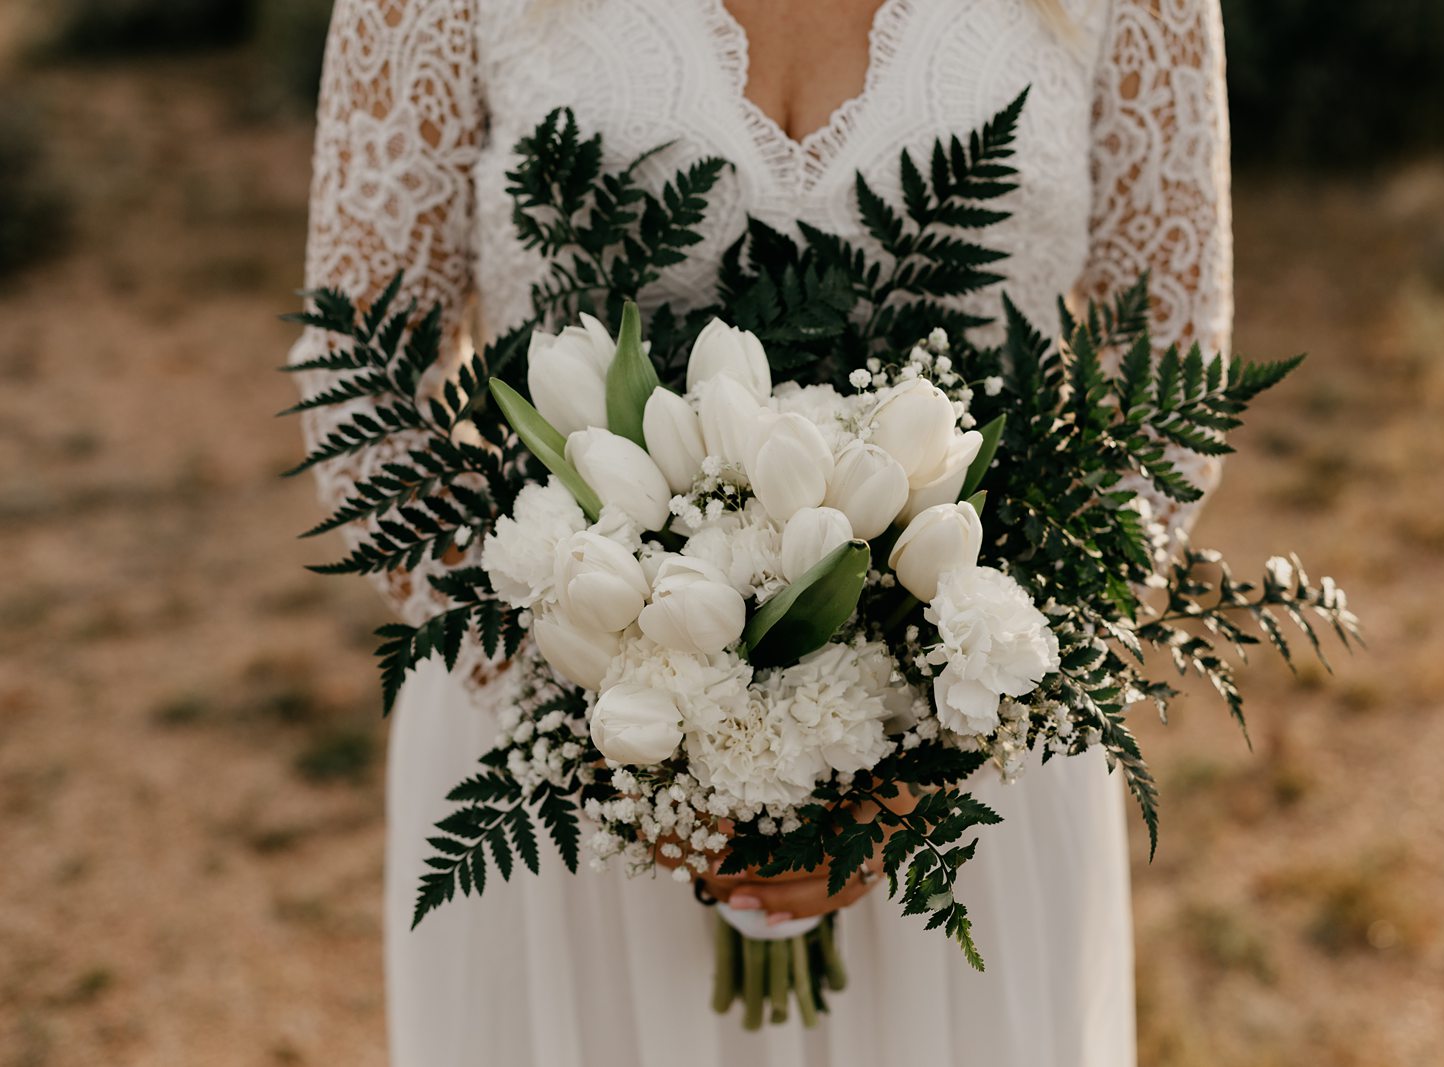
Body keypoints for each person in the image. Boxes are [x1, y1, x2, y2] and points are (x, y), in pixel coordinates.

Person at [288, 1, 1232, 1063]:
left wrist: (936, 751)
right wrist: (618, 735)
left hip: (961, 795)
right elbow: (360, 378)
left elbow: (1164, 374)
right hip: (571, 774)